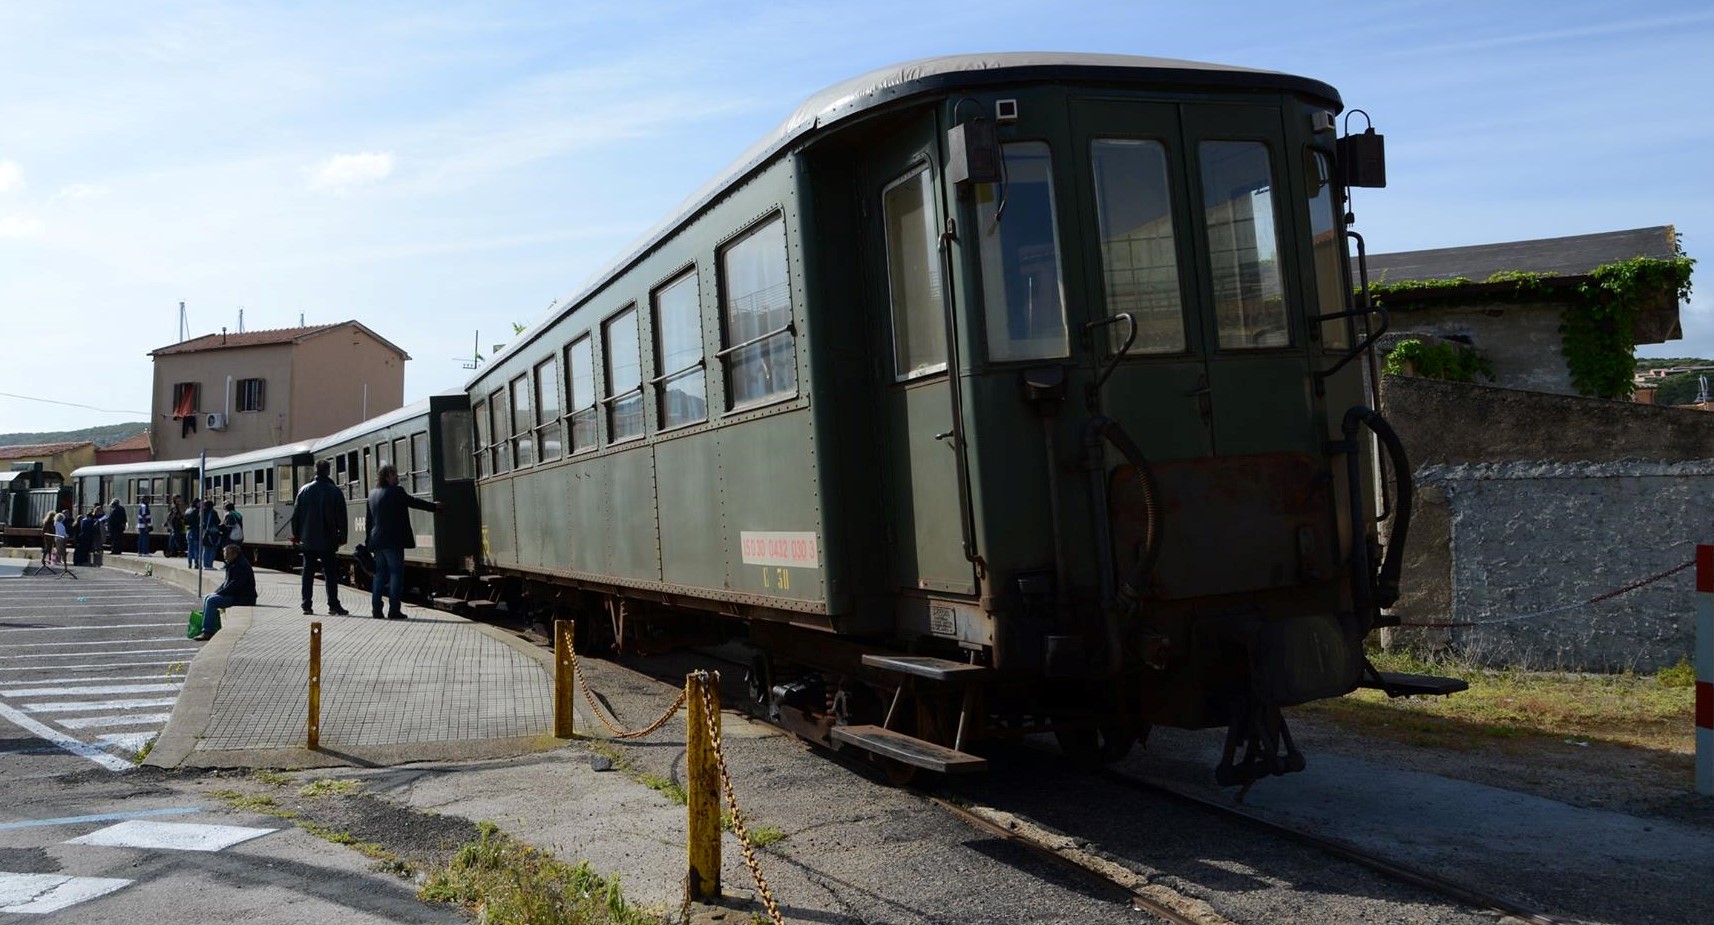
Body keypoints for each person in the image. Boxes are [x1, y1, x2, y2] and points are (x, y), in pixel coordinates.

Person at [365, 462, 442, 620]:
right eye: (394, 474)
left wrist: (369, 542)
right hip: (393, 542)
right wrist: (434, 507)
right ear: (387, 476)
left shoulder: (372, 494)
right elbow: (413, 502)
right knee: (395, 575)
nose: (397, 477)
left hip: (377, 542)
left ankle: (376, 611)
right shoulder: (397, 492)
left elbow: (368, 522)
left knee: (379, 576)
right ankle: (394, 611)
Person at [292, 459, 349, 616]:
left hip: (308, 540)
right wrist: (342, 537)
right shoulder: (335, 491)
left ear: (315, 471)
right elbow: (341, 517)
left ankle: (306, 605)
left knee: (307, 573)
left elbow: (296, 516)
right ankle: (333, 605)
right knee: (330, 574)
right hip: (328, 539)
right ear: (328, 471)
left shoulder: (304, 490)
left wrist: (297, 535)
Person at [194, 544, 256, 641]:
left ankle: (208, 631)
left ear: (234, 554)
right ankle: (209, 626)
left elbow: (235, 585)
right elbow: (226, 583)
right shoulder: (234, 563)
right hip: (236, 595)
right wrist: (217, 592)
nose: (224, 556)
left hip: (242, 598)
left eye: (227, 554)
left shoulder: (240, 566)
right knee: (207, 597)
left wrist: (220, 593)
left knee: (211, 601)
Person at [198, 500, 221, 569]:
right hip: (211, 532)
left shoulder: (201, 512)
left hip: (203, 532)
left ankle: (204, 564)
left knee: (205, 549)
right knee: (212, 549)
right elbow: (218, 521)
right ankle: (209, 565)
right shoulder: (213, 512)